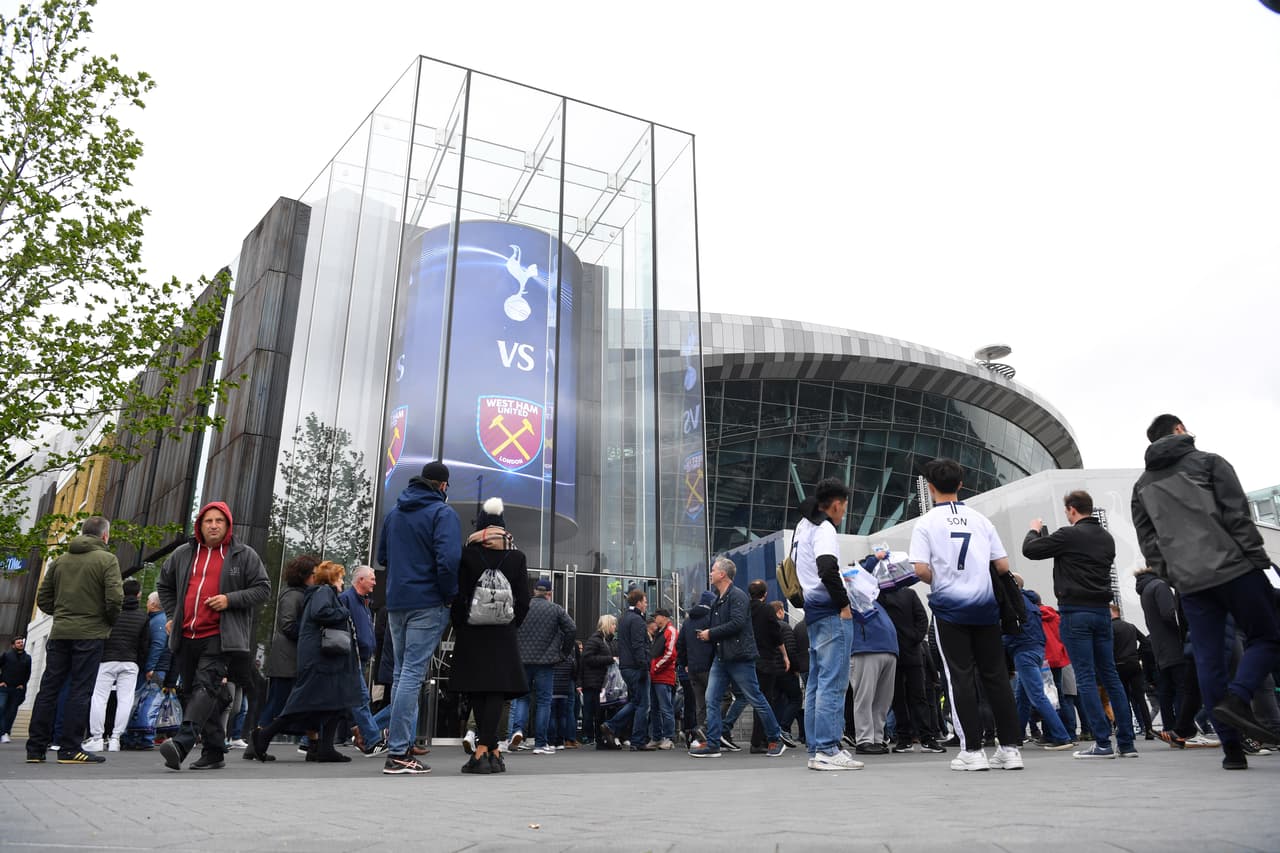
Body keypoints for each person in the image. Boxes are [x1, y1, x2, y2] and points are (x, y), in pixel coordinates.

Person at [1131, 414, 1280, 770]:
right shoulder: (1210, 462)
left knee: (1209, 663)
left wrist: (1171, 574)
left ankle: (1232, 752)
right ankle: (1240, 697)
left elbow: (1147, 540)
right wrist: (1258, 559)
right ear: (1180, 429)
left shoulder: (1141, 487)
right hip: (1235, 568)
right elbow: (1237, 515)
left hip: (1191, 584)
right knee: (1269, 637)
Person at [909, 458, 1023, 772]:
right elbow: (1001, 566)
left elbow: (919, 569)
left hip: (950, 610)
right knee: (996, 677)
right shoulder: (981, 520)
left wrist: (942, 581)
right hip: (986, 608)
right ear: (961, 484)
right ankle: (1010, 748)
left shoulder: (926, 523)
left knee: (958, 676)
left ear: (930, 488)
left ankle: (972, 750)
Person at [156, 501, 271, 772]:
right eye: (209, 520)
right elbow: (164, 585)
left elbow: (263, 588)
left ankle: (182, 743)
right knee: (192, 693)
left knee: (205, 686)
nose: (214, 525)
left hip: (220, 635)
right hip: (186, 634)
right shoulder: (184, 554)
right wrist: (172, 615)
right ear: (200, 524)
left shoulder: (243, 555)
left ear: (228, 525)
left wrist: (230, 599)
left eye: (220, 520)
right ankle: (214, 750)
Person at [1023, 489, 1136, 760]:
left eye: (1066, 511)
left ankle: (1102, 743)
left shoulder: (1069, 534)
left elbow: (1031, 550)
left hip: (1075, 611)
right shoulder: (1106, 538)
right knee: (1110, 676)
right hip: (1101, 612)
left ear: (1072, 509)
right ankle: (1127, 743)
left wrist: (1035, 530)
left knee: (1085, 677)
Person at [376, 461, 462, 776]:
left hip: (397, 602)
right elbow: (449, 559)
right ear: (442, 486)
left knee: (402, 674)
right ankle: (398, 753)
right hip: (428, 602)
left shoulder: (395, 514)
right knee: (412, 674)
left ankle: (403, 744)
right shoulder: (442, 514)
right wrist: (449, 594)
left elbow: (382, 557)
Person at [25, 516, 123, 764]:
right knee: (80, 689)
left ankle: (35, 749)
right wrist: (106, 621)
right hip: (90, 634)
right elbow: (114, 599)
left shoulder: (59, 561)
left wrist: (62, 614)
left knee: (49, 688)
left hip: (60, 633)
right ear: (105, 536)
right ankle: (69, 749)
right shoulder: (107, 560)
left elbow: (44, 600)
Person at [250, 561, 364, 764]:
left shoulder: (322, 593)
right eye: (340, 577)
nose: (342, 582)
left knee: (334, 703)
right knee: (303, 703)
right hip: (320, 660)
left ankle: (326, 748)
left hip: (324, 660)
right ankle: (264, 735)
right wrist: (344, 612)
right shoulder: (324, 592)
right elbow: (320, 613)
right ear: (331, 578)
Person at [448, 497, 531, 772]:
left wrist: (460, 622)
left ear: (480, 529)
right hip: (503, 631)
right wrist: (511, 622)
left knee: (476, 687)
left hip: (473, 629)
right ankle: (492, 749)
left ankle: (483, 750)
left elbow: (458, 595)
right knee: (496, 688)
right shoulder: (517, 556)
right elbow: (524, 599)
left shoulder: (467, 554)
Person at [794, 477, 863, 771]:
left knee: (815, 684)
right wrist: (844, 603)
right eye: (844, 507)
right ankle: (827, 749)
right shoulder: (824, 529)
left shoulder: (802, 526)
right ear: (835, 504)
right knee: (833, 683)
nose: (844, 513)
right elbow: (826, 567)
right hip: (830, 612)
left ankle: (816, 747)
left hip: (812, 609)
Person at [688, 557, 787, 758]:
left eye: (713, 570)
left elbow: (738, 623)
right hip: (723, 656)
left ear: (722, 574)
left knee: (755, 697)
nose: (711, 573)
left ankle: (775, 738)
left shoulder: (737, 596)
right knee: (712, 699)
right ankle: (714, 743)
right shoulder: (719, 598)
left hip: (740, 657)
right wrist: (710, 634)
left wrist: (710, 633)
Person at [1004, 575, 1075, 750]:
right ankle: (1017, 736)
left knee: (1037, 695)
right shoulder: (1032, 603)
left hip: (1024, 651)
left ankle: (1062, 736)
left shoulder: (1013, 602)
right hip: (1039, 652)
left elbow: (1009, 631)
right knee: (1024, 696)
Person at [510, 577, 575, 755]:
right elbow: (572, 628)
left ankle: (517, 731)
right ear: (549, 593)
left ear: (534, 591)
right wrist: (563, 653)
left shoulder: (522, 607)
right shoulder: (555, 609)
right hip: (546, 663)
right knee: (544, 701)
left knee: (522, 698)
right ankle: (540, 743)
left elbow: (510, 626)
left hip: (522, 660)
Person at [84, 578, 149, 752]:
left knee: (99, 698)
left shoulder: (111, 613)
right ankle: (116, 738)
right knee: (125, 700)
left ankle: (97, 737)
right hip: (130, 661)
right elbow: (145, 645)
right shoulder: (143, 616)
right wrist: (140, 663)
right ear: (139, 594)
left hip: (107, 659)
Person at [878, 583, 943, 753]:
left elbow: (921, 619)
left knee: (900, 698)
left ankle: (905, 739)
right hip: (912, 651)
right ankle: (926, 738)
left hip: (895, 650)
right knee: (917, 697)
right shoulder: (910, 593)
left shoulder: (880, 595)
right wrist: (915, 638)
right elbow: (922, 619)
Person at [1135, 565, 1188, 741]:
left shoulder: (1146, 589)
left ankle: (1169, 729)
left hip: (1159, 649)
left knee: (1166, 690)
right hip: (1173, 645)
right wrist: (1182, 633)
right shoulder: (1160, 586)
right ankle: (1182, 731)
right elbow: (1169, 614)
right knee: (1182, 687)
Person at [340, 565, 388, 756]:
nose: (375, 582)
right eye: (372, 579)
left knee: (341, 701)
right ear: (360, 580)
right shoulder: (346, 599)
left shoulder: (365, 603)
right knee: (361, 698)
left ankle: (308, 741)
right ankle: (372, 739)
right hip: (351, 658)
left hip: (362, 658)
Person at [602, 588, 652, 750]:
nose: (646, 604)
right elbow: (638, 645)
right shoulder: (637, 620)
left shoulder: (623, 618)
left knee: (635, 702)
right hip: (636, 667)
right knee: (643, 704)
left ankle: (611, 726)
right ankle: (637, 740)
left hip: (626, 666)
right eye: (645, 601)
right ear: (638, 603)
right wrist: (644, 666)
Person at [746, 580, 788, 753]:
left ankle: (758, 740)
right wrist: (785, 655)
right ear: (765, 594)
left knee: (755, 699)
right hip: (766, 659)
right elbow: (776, 634)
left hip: (748, 659)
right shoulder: (767, 610)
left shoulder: (744, 608)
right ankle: (761, 740)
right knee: (765, 700)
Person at [676, 591, 715, 748]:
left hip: (692, 668)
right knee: (718, 699)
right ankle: (706, 729)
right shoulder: (711, 618)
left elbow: (680, 644)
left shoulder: (687, 621)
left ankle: (701, 738)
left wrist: (684, 662)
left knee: (700, 704)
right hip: (709, 667)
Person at [1110, 604, 1154, 739]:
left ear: (1111, 613)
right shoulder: (1131, 626)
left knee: (1123, 699)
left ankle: (1128, 731)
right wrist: (1137, 655)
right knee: (1140, 698)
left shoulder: (1109, 628)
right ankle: (1149, 730)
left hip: (1118, 665)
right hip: (1134, 664)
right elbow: (1146, 642)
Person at [580, 615, 618, 748]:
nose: (615, 627)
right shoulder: (595, 640)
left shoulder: (606, 641)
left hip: (600, 681)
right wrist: (609, 659)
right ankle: (591, 737)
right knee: (593, 711)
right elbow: (587, 658)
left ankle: (599, 738)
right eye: (613, 624)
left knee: (599, 711)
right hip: (593, 682)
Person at [772, 602, 803, 748]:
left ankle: (777, 729)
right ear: (779, 611)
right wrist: (796, 669)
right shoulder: (785, 627)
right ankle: (784, 727)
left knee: (777, 701)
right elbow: (791, 650)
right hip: (786, 670)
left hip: (772, 671)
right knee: (796, 698)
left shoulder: (767, 628)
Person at [648, 608, 678, 749]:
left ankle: (668, 737)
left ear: (664, 617)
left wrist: (654, 667)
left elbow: (670, 654)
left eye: (657, 616)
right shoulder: (661, 632)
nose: (655, 619)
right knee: (655, 708)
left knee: (665, 708)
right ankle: (657, 737)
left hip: (664, 676)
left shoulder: (670, 631)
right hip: (657, 675)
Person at [0, 636, 32, 744]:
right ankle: (2, 731)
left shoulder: (27, 658)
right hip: (4, 687)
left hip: (17, 689)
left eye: (21, 642)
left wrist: (22, 684)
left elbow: (28, 673)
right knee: (1, 707)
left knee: (12, 712)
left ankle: (5, 733)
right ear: (13, 645)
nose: (20, 644)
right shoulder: (7, 655)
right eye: (18, 643)